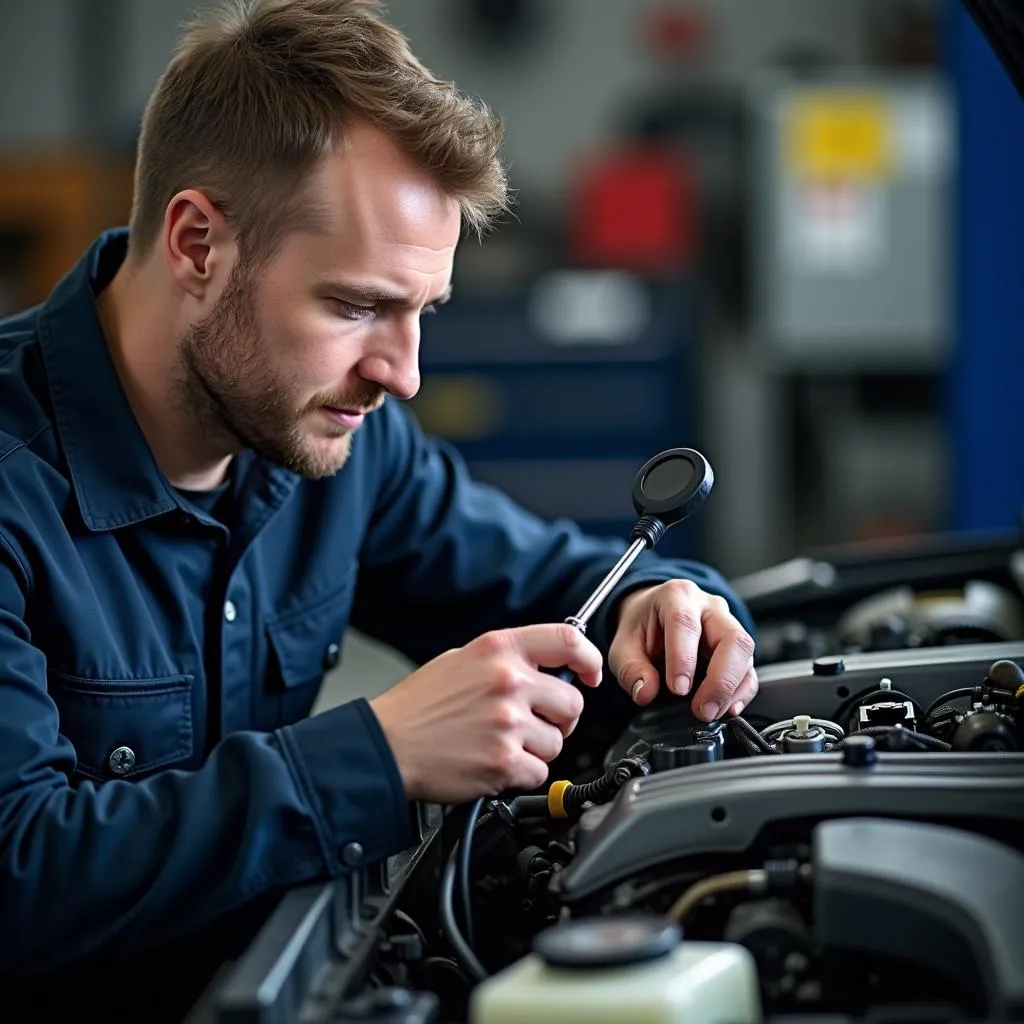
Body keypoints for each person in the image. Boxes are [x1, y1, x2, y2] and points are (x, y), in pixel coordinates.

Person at [0, 0, 757, 1013]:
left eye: (421, 311)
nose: (401, 374)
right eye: (357, 305)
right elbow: (18, 873)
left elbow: (548, 578)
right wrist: (382, 752)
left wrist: (665, 600)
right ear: (195, 244)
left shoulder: (340, 442)